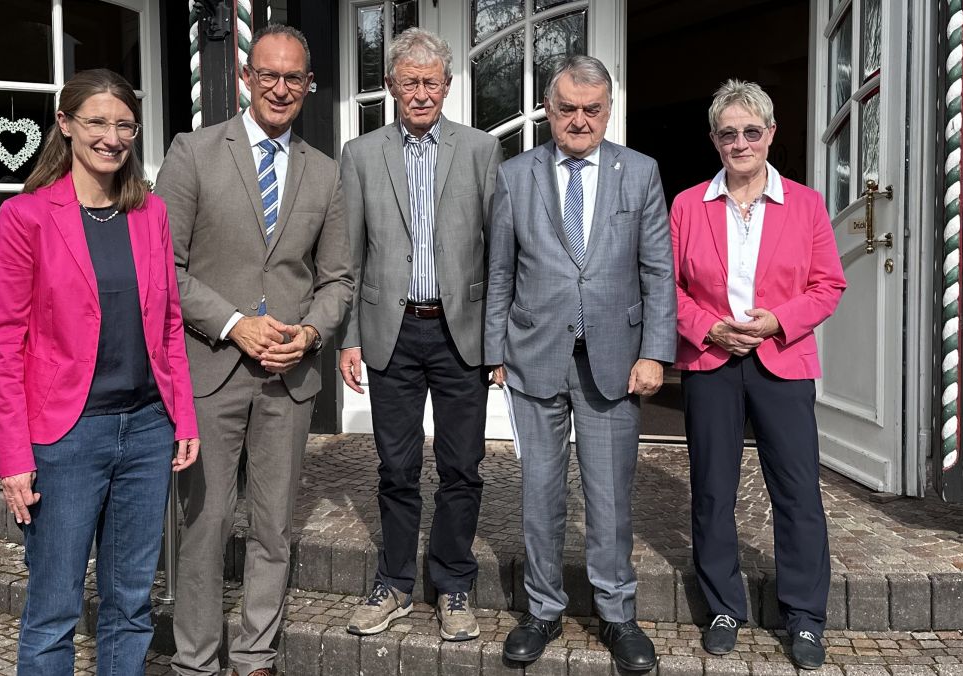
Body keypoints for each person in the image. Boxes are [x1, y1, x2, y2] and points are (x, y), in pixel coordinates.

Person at [0, 68, 200, 674]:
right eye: (98, 122)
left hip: (147, 430)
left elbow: (169, 325)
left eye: (124, 124)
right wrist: (13, 458)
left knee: (131, 604)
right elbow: (2, 346)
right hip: (65, 437)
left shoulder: (149, 213)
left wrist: (181, 413)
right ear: (66, 125)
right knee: (53, 611)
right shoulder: (25, 218)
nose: (112, 136)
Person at [155, 24, 353, 676]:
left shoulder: (327, 173)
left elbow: (338, 280)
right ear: (246, 76)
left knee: (273, 527)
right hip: (210, 370)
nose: (280, 87)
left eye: (293, 77)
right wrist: (234, 321)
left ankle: (256, 654)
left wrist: (312, 334)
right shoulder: (194, 152)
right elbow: (165, 268)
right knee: (204, 524)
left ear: (308, 85)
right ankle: (195, 660)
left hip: (288, 379)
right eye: (268, 74)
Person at [484, 54, 676, 672]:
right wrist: (494, 353)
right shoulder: (515, 175)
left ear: (608, 110)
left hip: (614, 362)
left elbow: (657, 273)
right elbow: (499, 274)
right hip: (534, 357)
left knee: (611, 497)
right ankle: (542, 610)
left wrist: (654, 353)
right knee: (538, 494)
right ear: (548, 107)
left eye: (592, 109)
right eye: (567, 108)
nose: (579, 120)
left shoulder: (640, 172)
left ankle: (617, 614)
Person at [670, 79, 846, 670]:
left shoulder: (806, 204)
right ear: (715, 141)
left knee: (796, 491)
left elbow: (828, 286)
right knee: (713, 488)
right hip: (712, 361)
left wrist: (777, 321)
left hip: (782, 359)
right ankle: (724, 606)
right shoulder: (687, 205)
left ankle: (804, 617)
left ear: (770, 134)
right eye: (728, 133)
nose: (740, 142)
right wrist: (708, 329)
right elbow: (666, 288)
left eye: (751, 131)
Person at [337, 27, 502, 642]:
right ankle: (395, 583)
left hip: (462, 333)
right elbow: (348, 256)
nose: (422, 92)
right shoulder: (361, 155)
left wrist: (499, 341)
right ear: (391, 87)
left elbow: (499, 254)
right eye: (410, 82)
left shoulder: (482, 150)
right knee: (396, 468)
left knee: (463, 467)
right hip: (391, 332)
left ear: (448, 86)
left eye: (432, 82)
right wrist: (349, 337)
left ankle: (454, 585)